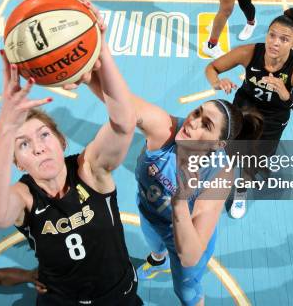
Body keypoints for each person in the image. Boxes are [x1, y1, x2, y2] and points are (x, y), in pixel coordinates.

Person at [0, 0, 142, 305]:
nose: (38, 148)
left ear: (61, 141)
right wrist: (5, 127)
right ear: (18, 162)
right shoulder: (24, 198)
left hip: (119, 297)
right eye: (23, 144)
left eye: (44, 135)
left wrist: (99, 47)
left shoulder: (90, 171)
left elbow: (123, 124)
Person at [86, 76, 263, 305]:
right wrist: (86, 76)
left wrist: (180, 201)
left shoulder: (219, 175)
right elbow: (123, 103)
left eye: (206, 125)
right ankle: (158, 261)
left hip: (182, 234)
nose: (193, 122)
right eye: (197, 113)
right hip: (150, 213)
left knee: (187, 292)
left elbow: (190, 257)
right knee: (154, 246)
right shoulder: (166, 128)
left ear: (217, 145)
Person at [204, 6, 293, 218]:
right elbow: (212, 68)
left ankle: (240, 193)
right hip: (243, 114)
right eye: (272, 35)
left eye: (284, 39)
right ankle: (218, 180)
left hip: (271, 124)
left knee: (251, 164)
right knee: (228, 154)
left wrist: (289, 98)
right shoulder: (249, 52)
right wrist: (216, 82)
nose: (275, 42)